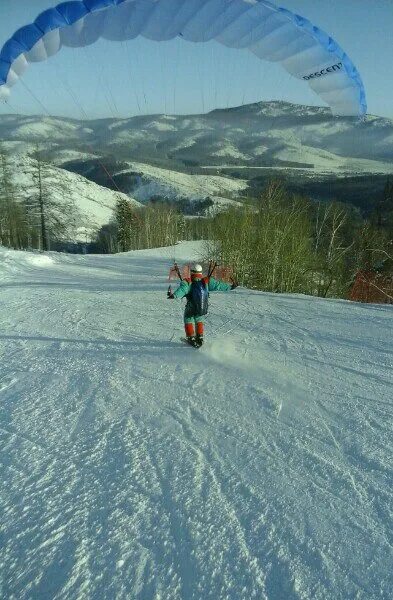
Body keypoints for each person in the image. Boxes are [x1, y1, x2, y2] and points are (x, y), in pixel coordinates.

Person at [167, 263, 237, 347]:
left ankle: (191, 337)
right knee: (199, 319)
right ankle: (200, 337)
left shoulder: (188, 282)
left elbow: (182, 290)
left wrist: (173, 295)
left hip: (191, 307)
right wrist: (230, 287)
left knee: (188, 319)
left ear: (192, 272)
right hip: (202, 307)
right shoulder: (206, 281)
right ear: (200, 272)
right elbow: (218, 285)